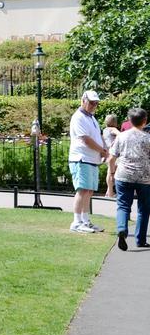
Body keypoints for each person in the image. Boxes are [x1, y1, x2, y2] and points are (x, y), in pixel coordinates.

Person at [109, 108, 150, 251]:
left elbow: (112, 157)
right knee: (144, 209)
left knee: (123, 205)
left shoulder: (122, 136)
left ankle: (122, 229)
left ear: (129, 120)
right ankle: (140, 239)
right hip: (144, 177)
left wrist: (112, 172)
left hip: (123, 174)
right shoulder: (148, 138)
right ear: (144, 121)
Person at [68, 91, 108, 233]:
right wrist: (102, 150)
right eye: (91, 103)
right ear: (83, 100)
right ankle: (77, 222)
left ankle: (85, 220)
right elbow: (85, 140)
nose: (94, 105)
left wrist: (104, 149)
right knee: (82, 189)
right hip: (81, 158)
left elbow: (97, 136)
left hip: (91, 159)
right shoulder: (78, 117)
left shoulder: (92, 118)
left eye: (96, 103)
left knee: (89, 191)